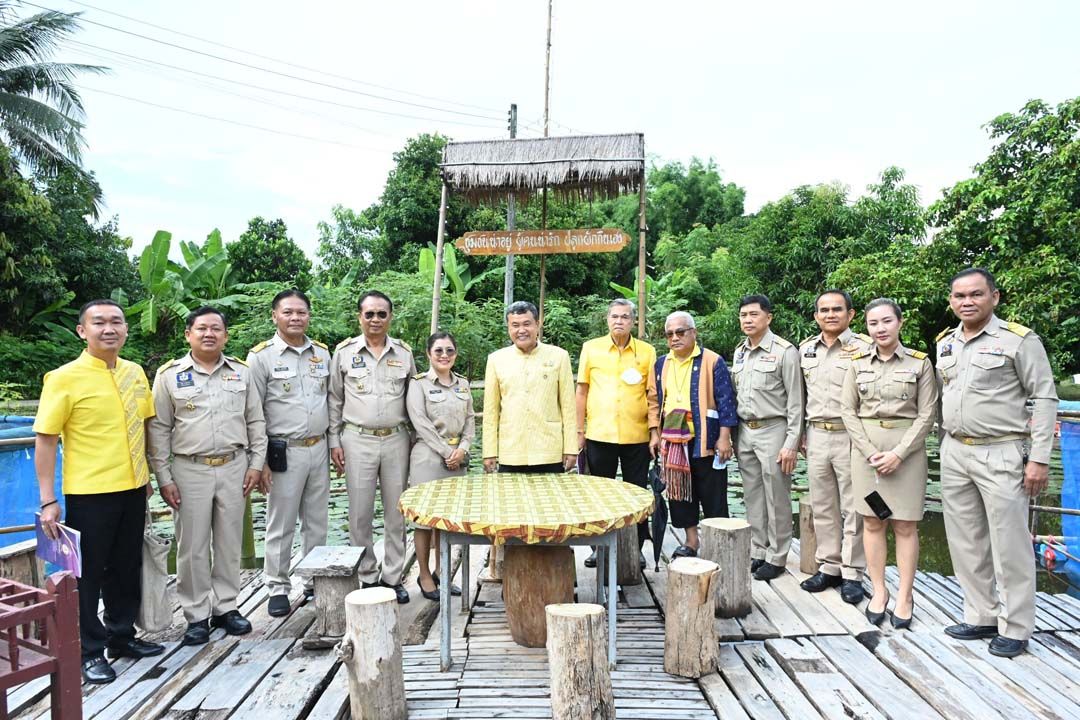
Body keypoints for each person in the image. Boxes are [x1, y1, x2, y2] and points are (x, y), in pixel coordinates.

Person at [34, 299, 166, 684]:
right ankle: (90, 650)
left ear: (126, 329)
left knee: (127, 566)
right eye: (99, 323)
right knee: (88, 573)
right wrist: (48, 500)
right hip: (90, 492)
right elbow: (45, 440)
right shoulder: (64, 378)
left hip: (133, 489)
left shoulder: (135, 373)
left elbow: (143, 429)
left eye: (117, 322)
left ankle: (121, 635)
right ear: (82, 331)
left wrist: (148, 478)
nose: (109, 329)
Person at [936, 268, 1057, 657]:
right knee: (965, 539)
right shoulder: (946, 343)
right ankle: (981, 614)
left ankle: (1017, 625)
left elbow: (1044, 398)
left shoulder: (1019, 341)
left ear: (995, 297)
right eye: (959, 296)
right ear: (952, 301)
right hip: (955, 451)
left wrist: (1039, 458)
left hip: (1001, 450)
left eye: (975, 295)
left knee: (1010, 543)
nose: (966, 302)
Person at [148, 306, 267, 646]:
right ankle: (196, 614)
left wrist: (256, 464)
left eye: (216, 328)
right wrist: (164, 476)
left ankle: (226, 607)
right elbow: (158, 429)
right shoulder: (170, 375)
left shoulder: (241, 373)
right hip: (189, 469)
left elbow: (256, 421)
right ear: (188, 334)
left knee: (229, 542)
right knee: (192, 546)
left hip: (234, 465)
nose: (209, 334)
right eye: (202, 328)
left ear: (226, 335)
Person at [840, 299, 937, 630]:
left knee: (905, 525)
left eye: (886, 322)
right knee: (871, 521)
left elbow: (927, 414)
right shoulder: (856, 364)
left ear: (900, 322)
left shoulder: (920, 364)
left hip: (906, 453)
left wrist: (899, 453)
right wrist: (869, 452)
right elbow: (848, 411)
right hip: (866, 454)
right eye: (872, 323)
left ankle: (905, 596)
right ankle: (879, 591)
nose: (879, 329)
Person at [246, 289, 331, 618]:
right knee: (280, 523)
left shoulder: (321, 354)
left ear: (309, 316)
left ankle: (314, 579)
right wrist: (261, 459)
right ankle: (277, 585)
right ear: (275, 316)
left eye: (301, 312)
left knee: (317, 521)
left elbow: (331, 401)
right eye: (288, 312)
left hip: (319, 447)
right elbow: (253, 412)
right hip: (283, 450)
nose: (295, 318)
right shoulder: (261, 357)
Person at [329, 290, 416, 604]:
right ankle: (367, 575)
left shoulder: (404, 353)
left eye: (382, 314)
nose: (376, 319)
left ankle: (393, 577)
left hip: (396, 439)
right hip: (357, 439)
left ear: (390, 317)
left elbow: (413, 399)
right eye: (370, 314)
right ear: (360, 317)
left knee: (397, 511)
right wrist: (334, 441)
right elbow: (334, 400)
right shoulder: (343, 353)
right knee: (360, 513)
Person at [798, 290, 872, 604]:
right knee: (823, 504)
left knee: (854, 506)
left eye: (837, 309)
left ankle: (853, 572)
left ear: (850, 314)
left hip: (851, 437)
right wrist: (799, 434)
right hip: (816, 435)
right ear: (816, 316)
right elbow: (799, 397)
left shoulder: (866, 348)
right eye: (824, 310)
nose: (830, 315)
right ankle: (829, 565)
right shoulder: (806, 350)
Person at [576, 299, 660, 569]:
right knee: (599, 494)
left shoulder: (647, 352)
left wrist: (654, 430)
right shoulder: (591, 349)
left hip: (637, 436)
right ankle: (597, 547)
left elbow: (653, 395)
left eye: (625, 317)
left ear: (633, 321)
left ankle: (635, 547)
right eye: (615, 316)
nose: (619, 321)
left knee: (638, 493)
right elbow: (582, 392)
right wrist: (579, 431)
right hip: (600, 434)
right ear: (607, 319)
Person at [731, 295, 804, 581]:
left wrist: (791, 442)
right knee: (753, 495)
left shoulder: (785, 351)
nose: (747, 320)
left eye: (753, 314)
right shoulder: (740, 352)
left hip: (774, 428)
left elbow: (796, 401)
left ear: (768, 318)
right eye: (743, 315)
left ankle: (777, 556)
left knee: (777, 495)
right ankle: (758, 549)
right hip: (745, 430)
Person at [654, 311, 738, 556]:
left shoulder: (712, 361)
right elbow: (655, 400)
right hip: (673, 441)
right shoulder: (662, 363)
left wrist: (725, 437)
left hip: (706, 439)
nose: (675, 338)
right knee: (680, 494)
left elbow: (726, 401)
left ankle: (719, 545)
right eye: (670, 334)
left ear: (693, 333)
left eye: (680, 332)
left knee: (713, 493)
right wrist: (655, 433)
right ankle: (691, 542)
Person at [406, 331, 475, 601]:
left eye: (449, 350)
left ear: (455, 354)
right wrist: (447, 451)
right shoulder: (419, 384)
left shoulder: (463, 384)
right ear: (428, 354)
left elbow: (470, 420)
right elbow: (419, 422)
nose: (444, 355)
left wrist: (463, 450)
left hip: (458, 456)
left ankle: (441, 571)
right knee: (424, 520)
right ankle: (423, 575)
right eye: (438, 351)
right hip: (429, 455)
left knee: (447, 519)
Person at [482, 301, 576, 474]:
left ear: (538, 324)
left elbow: (569, 408)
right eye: (515, 325)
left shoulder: (559, 356)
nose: (521, 330)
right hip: (511, 450)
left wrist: (571, 447)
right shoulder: (496, 359)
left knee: (551, 499)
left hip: (549, 450)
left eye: (527, 324)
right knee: (511, 500)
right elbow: (490, 412)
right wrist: (489, 452)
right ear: (509, 328)